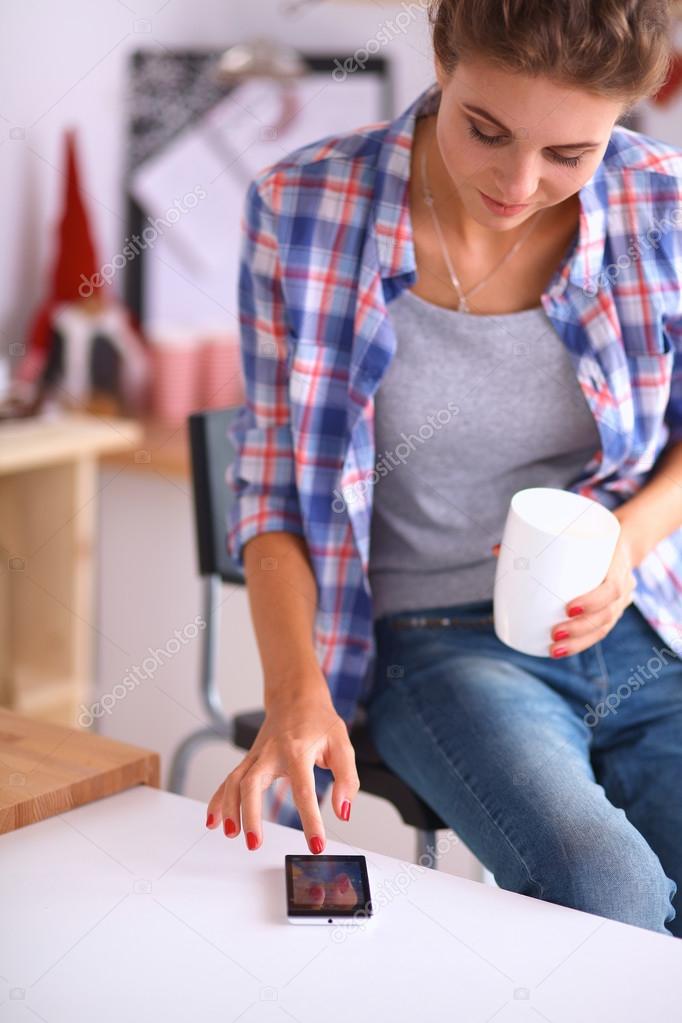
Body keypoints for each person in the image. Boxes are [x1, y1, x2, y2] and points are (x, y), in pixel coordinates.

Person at [206, 0, 682, 937]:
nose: (517, 182)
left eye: (568, 154)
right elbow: (270, 491)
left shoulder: (661, 205)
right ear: (441, 58)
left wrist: (628, 538)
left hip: (636, 619)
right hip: (437, 643)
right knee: (611, 896)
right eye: (487, 130)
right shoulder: (303, 208)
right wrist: (296, 691)